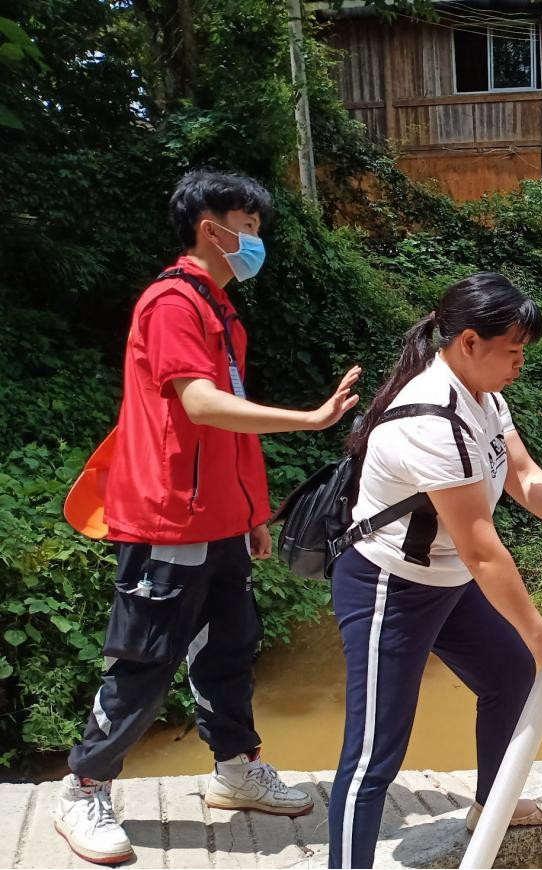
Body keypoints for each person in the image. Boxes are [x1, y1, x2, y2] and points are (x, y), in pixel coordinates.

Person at [55, 169, 362, 866]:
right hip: (170, 517)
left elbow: (229, 430)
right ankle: (83, 787)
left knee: (230, 646)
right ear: (210, 227)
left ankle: (235, 770)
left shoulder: (219, 311)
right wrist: (310, 418)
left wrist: (252, 512)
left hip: (219, 518)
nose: (256, 240)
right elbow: (198, 405)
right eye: (248, 226)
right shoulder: (172, 304)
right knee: (145, 658)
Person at [326, 273, 542, 869]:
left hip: (444, 581)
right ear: (469, 341)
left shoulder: (485, 397)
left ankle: (492, 803)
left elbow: (523, 477)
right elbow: (481, 548)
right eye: (514, 351)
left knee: (508, 675)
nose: (520, 364)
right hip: (388, 588)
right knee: (374, 755)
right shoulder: (431, 420)